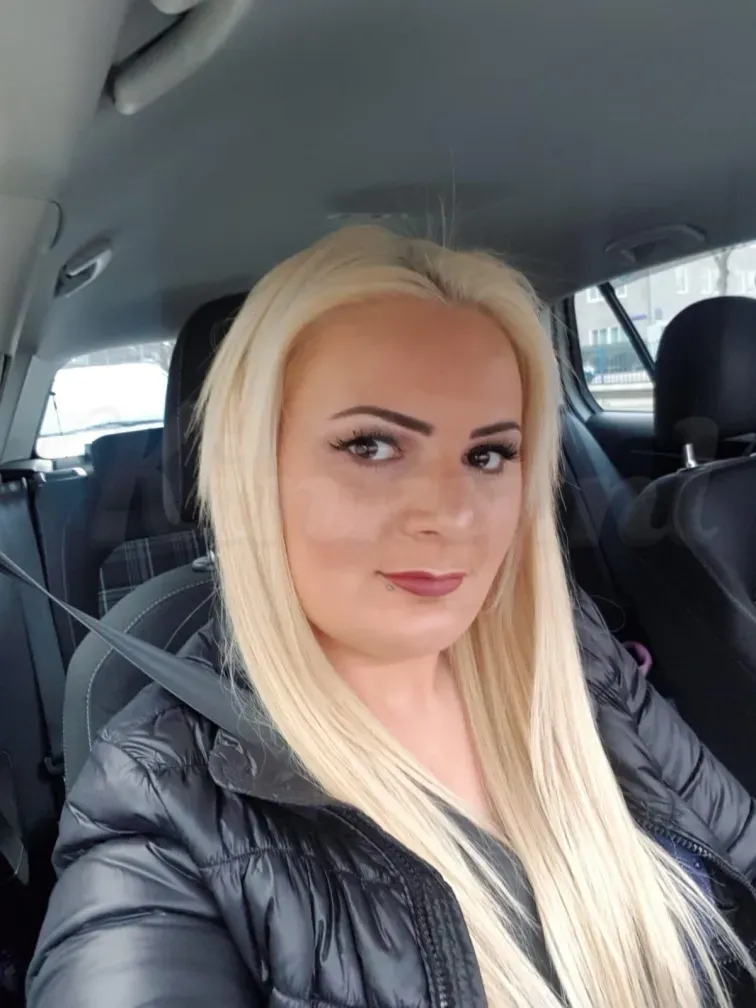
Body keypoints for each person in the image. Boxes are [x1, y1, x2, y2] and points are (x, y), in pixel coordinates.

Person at [26, 226, 756, 1008]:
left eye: (487, 455)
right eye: (371, 446)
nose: (450, 514)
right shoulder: (158, 801)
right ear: (254, 469)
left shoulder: (572, 655)